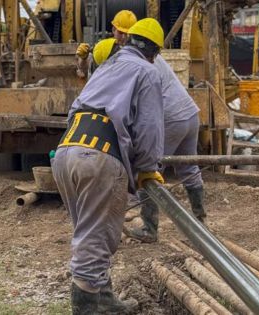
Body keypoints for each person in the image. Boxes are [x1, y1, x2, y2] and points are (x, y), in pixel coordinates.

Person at [51, 18, 165, 314]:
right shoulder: (147, 72)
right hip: (99, 156)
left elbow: (77, 108)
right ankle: (87, 307)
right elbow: (149, 127)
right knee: (98, 236)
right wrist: (148, 168)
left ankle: (103, 299)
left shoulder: (106, 67)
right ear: (154, 51)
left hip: (65, 152)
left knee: (87, 230)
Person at [85, 13, 207, 244]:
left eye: (119, 32)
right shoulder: (150, 57)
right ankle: (201, 221)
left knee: (146, 169)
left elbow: (141, 113)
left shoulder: (135, 63)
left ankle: (150, 228)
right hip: (190, 114)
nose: (117, 36)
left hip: (170, 118)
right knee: (189, 168)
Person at [75, 10, 136, 78]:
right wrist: (83, 58)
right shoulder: (106, 49)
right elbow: (83, 72)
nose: (124, 37)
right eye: (121, 32)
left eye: (127, 34)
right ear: (113, 30)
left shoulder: (138, 53)